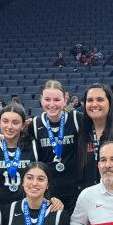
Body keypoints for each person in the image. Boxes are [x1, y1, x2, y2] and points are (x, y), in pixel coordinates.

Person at [29, 80, 81, 210]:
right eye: (47, 99)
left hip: (75, 190)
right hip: (49, 193)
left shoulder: (76, 119)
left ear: (65, 99)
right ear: (41, 100)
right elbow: (20, 141)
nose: (52, 104)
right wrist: (3, 137)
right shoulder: (35, 124)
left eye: (57, 100)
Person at [77, 83, 113, 190]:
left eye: (100, 100)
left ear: (110, 102)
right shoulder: (80, 129)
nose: (94, 104)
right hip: (89, 196)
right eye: (90, 100)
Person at [0, 103, 39, 206]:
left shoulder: (33, 146)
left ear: (23, 125)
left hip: (27, 209)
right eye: (5, 121)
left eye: (15, 122)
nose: (9, 127)